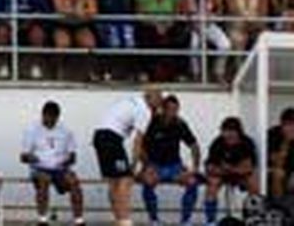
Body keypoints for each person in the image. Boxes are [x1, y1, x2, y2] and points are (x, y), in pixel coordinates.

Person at [95, 90, 165, 226]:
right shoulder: (145, 111)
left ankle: (118, 218)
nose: (159, 105)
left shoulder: (132, 101)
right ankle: (125, 220)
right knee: (125, 179)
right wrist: (133, 165)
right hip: (111, 138)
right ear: (151, 99)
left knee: (114, 181)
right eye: (159, 101)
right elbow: (137, 141)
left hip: (99, 136)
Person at [138, 95, 201, 226]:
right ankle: (154, 220)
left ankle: (185, 221)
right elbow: (140, 147)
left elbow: (194, 146)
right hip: (154, 166)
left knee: (193, 182)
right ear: (163, 109)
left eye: (176, 109)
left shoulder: (180, 124)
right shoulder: (151, 123)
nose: (173, 113)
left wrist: (194, 168)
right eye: (170, 109)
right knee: (147, 182)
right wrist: (147, 166)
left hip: (175, 166)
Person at [20, 100, 85, 226]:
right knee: (44, 179)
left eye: (53, 118)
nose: (49, 121)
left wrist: (66, 161)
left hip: (60, 168)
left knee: (74, 182)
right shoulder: (31, 130)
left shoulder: (66, 131)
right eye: (47, 117)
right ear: (42, 115)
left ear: (57, 117)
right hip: (39, 168)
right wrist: (31, 158)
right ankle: (42, 220)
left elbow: (73, 156)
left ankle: (79, 220)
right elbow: (23, 157)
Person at [203, 117, 256, 226]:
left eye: (232, 132)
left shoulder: (247, 143)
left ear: (239, 132)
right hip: (222, 174)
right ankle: (210, 221)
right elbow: (209, 166)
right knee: (211, 183)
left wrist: (231, 168)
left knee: (254, 183)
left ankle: (253, 218)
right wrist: (221, 170)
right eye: (226, 132)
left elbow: (248, 167)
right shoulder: (218, 142)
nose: (229, 135)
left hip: (240, 175)